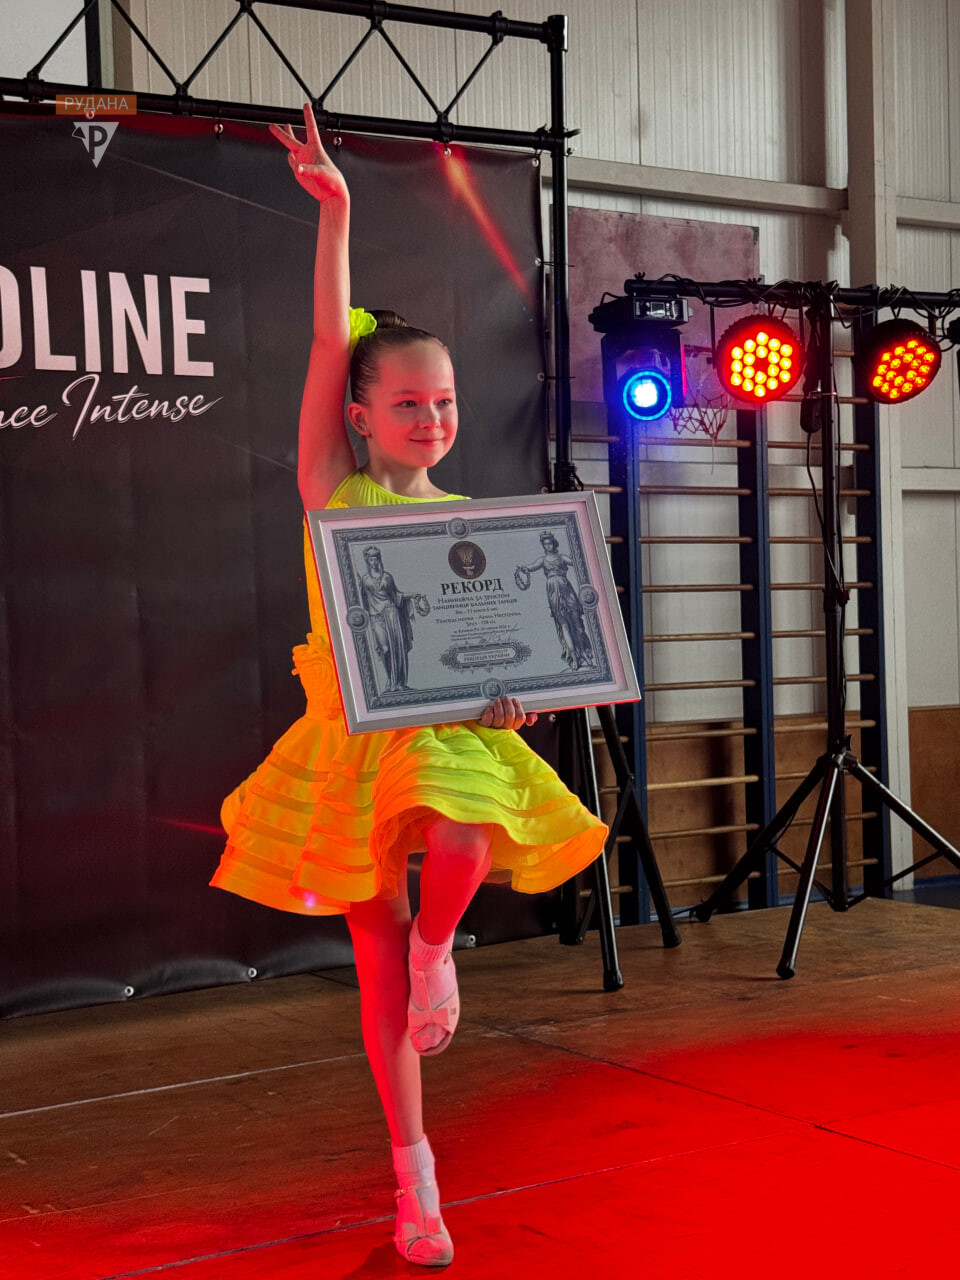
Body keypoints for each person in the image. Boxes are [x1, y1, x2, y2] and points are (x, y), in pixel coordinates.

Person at [210, 104, 608, 1268]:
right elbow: (322, 342)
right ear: (361, 414)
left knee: (466, 835)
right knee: (375, 971)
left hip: (447, 732)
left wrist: (521, 692)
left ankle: (445, 945)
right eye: (406, 403)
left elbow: (508, 651)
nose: (431, 419)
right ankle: (415, 1181)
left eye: (444, 403)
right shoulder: (334, 491)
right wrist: (337, 212)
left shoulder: (473, 522)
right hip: (350, 740)